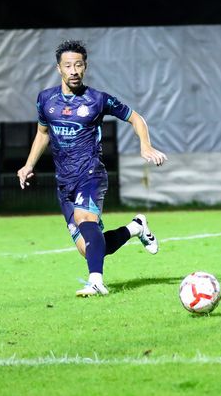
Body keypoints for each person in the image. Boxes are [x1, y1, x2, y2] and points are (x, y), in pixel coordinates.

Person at [17, 40, 168, 297]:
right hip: (64, 181)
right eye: (68, 66)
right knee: (90, 249)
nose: (73, 70)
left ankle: (96, 282)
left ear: (85, 66)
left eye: (78, 65)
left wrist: (145, 145)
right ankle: (136, 227)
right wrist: (28, 165)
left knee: (85, 219)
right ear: (59, 68)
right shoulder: (45, 99)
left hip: (91, 174)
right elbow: (42, 133)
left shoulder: (98, 100)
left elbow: (135, 117)